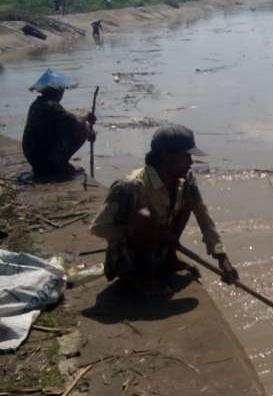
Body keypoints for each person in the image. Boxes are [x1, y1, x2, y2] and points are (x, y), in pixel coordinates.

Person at [90, 124, 239, 286]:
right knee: (145, 215)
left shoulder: (186, 182)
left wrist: (222, 258)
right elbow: (98, 228)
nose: (191, 162)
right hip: (128, 259)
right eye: (186, 156)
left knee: (189, 201)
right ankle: (143, 278)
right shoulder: (131, 186)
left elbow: (204, 218)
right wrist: (147, 231)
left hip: (161, 248)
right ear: (166, 156)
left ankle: (169, 258)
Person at [22, 69, 95, 179]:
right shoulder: (51, 106)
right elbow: (76, 122)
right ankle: (59, 167)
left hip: (34, 158)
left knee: (79, 127)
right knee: (83, 129)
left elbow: (68, 119)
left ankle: (54, 167)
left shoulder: (38, 104)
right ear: (59, 92)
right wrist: (87, 117)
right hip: (45, 159)